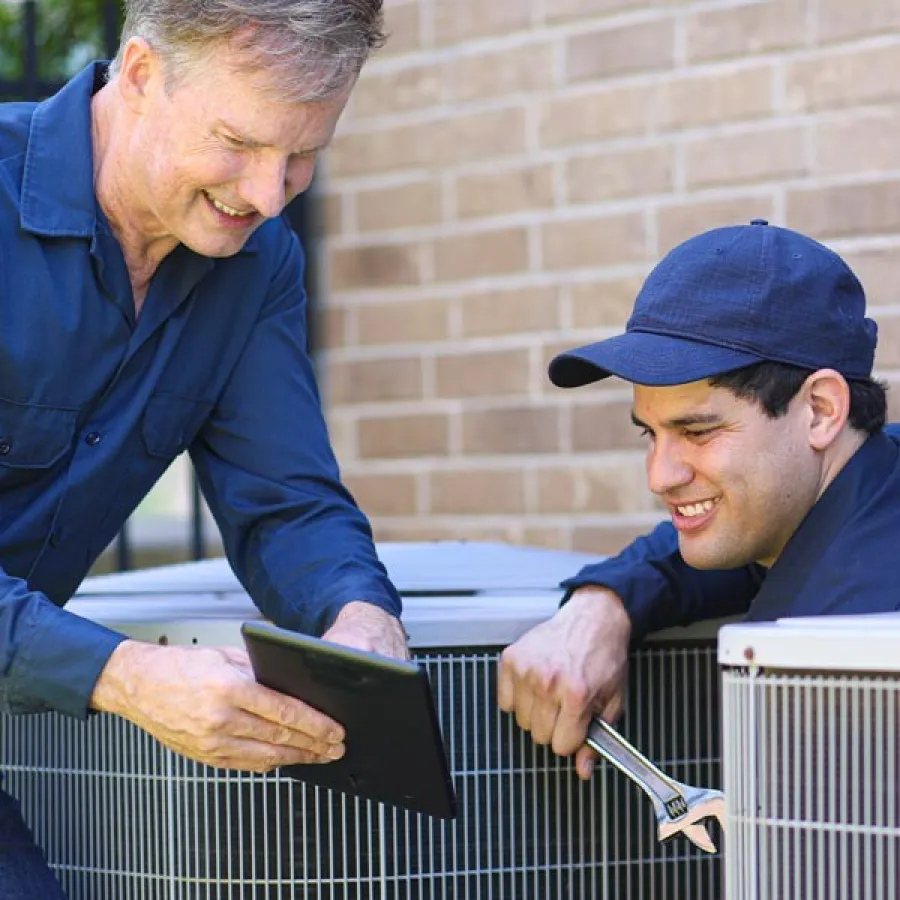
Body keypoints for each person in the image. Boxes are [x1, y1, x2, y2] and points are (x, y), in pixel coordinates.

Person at [0, 0, 406, 893]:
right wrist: (125, 674)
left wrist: (359, 616)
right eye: (240, 142)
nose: (267, 195)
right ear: (141, 74)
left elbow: (289, 503)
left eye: (304, 156)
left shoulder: (259, 266)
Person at [498, 218, 900, 780]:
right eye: (651, 433)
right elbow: (700, 551)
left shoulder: (854, 649)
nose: (660, 476)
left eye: (699, 431)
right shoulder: (861, 482)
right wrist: (602, 605)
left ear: (821, 411)